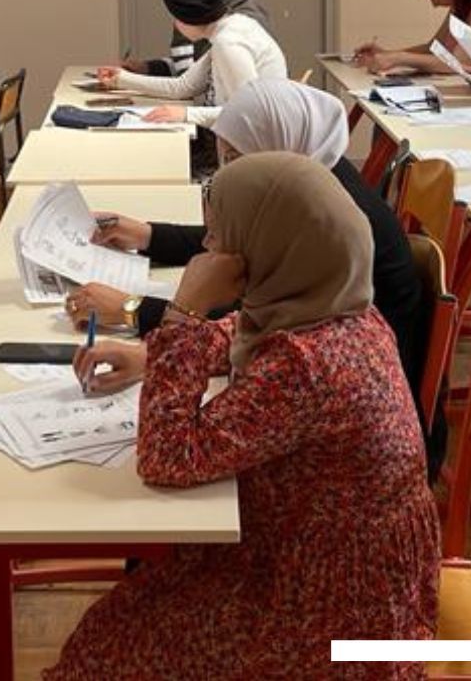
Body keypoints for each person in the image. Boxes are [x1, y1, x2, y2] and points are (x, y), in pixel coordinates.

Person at [49, 154, 439, 681]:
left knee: (105, 651)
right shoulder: (343, 307)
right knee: (120, 621)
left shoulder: (305, 366)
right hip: (332, 562)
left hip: (335, 616)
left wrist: (185, 310)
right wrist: (152, 356)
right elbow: (241, 329)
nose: (207, 252)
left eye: (218, 239)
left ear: (266, 248)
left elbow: (167, 456)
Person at [67, 79, 429, 436]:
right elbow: (246, 306)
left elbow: (167, 452)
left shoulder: (300, 360)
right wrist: (147, 235)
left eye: (234, 158)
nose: (227, 172)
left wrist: (153, 313)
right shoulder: (314, 191)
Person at [96, 0, 287, 127]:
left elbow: (249, 113)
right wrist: (122, 79)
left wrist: (187, 115)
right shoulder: (229, 29)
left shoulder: (229, 43)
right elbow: (184, 86)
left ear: (188, 17)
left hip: (257, 148)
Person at [121, 0, 270, 77]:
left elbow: (206, 83)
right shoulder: (194, 12)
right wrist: (147, 68)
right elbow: (191, 71)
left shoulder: (243, 27)